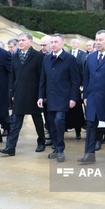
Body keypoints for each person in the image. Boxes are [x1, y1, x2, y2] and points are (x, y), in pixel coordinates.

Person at [0, 33, 46, 156]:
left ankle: (41, 141)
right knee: (15, 122)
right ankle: (10, 147)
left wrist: (41, 95)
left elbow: (42, 77)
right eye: (19, 40)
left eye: (23, 40)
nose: (20, 42)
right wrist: (12, 93)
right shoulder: (14, 57)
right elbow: (12, 77)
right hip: (19, 93)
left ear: (30, 42)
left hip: (33, 93)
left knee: (37, 120)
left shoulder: (38, 56)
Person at [79, 30, 105, 164]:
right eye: (96, 40)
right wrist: (85, 95)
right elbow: (86, 77)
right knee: (91, 125)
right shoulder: (90, 57)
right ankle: (89, 154)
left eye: (101, 40)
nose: (97, 42)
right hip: (92, 97)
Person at [38, 34, 80, 162]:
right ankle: (56, 147)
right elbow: (43, 79)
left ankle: (60, 149)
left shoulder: (69, 59)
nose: (53, 44)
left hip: (63, 97)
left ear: (62, 44)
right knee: (51, 124)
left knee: (59, 120)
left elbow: (75, 80)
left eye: (56, 42)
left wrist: (73, 98)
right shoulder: (46, 59)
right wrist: (41, 96)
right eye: (52, 42)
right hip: (50, 98)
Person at [66, 39, 86, 139]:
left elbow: (79, 75)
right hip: (65, 90)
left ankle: (78, 132)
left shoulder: (79, 57)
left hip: (74, 90)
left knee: (77, 113)